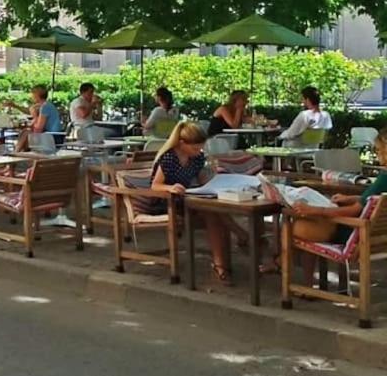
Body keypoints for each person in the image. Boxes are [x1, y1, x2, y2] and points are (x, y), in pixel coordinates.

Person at [264, 128, 387, 281]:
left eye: (379, 149)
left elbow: (353, 211)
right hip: (378, 236)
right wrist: (350, 198)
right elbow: (373, 201)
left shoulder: (384, 179)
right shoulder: (383, 181)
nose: (376, 153)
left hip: (352, 233)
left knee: (294, 226)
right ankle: (294, 274)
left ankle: (288, 271)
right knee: (307, 221)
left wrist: (316, 210)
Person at [150, 121, 235, 284]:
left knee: (214, 210)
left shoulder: (197, 158)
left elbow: (202, 180)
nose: (198, 152)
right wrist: (171, 188)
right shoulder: (169, 157)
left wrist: (214, 182)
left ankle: (221, 264)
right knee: (212, 213)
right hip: (166, 203)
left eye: (200, 148)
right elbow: (155, 186)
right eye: (195, 148)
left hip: (187, 199)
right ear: (182, 144)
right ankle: (240, 240)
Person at [11, 85, 63, 151]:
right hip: (52, 136)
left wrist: (35, 116)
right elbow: (29, 111)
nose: (31, 96)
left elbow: (38, 129)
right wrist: (15, 106)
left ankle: (16, 152)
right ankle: (18, 152)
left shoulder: (45, 107)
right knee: (25, 133)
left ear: (36, 95)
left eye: (32, 94)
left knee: (26, 133)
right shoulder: (45, 105)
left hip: (53, 138)